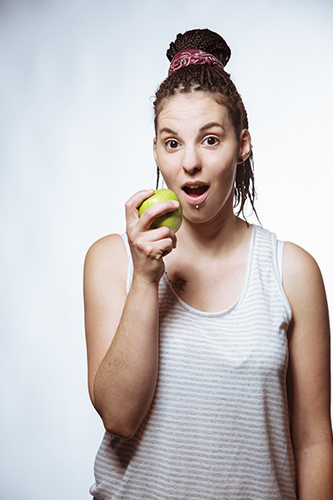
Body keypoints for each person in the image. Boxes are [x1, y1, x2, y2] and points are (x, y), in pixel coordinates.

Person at [84, 28, 333, 499]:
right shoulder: (112, 262)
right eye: (172, 143)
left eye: (211, 139)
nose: (191, 162)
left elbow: (314, 440)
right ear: (156, 151)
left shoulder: (292, 272)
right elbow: (118, 416)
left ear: (243, 145)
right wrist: (144, 278)